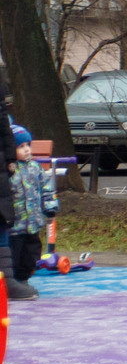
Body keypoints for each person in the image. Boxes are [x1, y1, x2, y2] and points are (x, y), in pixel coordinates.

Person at [10, 122, 57, 301]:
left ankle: (24, 280)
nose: (26, 150)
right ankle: (13, 281)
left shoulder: (35, 167)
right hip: (15, 225)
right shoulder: (9, 170)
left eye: (28, 145)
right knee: (14, 255)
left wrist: (50, 207)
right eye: (21, 146)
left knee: (31, 255)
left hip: (33, 223)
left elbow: (47, 188)